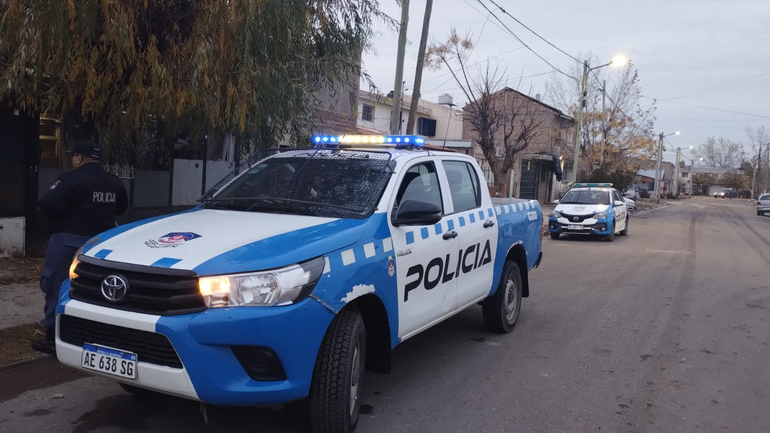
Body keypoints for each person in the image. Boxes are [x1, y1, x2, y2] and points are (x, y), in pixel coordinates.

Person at [32, 141, 128, 355]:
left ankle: (53, 337)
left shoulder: (70, 180)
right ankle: (95, 335)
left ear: (78, 158)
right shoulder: (114, 182)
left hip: (67, 241)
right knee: (98, 289)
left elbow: (47, 204)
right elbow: (121, 208)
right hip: (100, 244)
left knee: (56, 284)